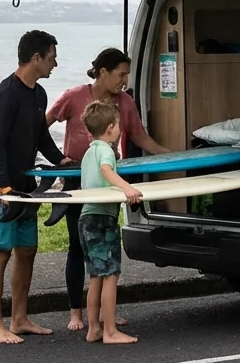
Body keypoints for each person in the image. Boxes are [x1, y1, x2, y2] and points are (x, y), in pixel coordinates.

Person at [44, 47, 169, 332]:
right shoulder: (74, 96)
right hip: (77, 180)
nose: (125, 81)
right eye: (121, 75)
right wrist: (56, 158)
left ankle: (104, 313)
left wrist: (170, 156)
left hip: (107, 184)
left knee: (106, 249)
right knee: (79, 246)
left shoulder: (125, 102)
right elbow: (44, 124)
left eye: (127, 75)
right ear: (103, 72)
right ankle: (76, 312)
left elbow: (140, 137)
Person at [0, 30, 72, 345]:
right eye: (52, 57)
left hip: (26, 188)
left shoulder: (38, 94)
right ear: (36, 58)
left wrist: (61, 160)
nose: (55, 63)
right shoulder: (5, 95)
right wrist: (3, 187)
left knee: (27, 250)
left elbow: (41, 136)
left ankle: (19, 319)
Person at [76, 100, 143, 344]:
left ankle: (94, 328)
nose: (119, 130)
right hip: (102, 218)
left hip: (86, 217)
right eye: (118, 125)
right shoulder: (105, 150)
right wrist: (127, 188)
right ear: (111, 128)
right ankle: (111, 331)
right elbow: (106, 171)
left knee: (96, 275)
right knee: (111, 274)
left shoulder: (87, 153)